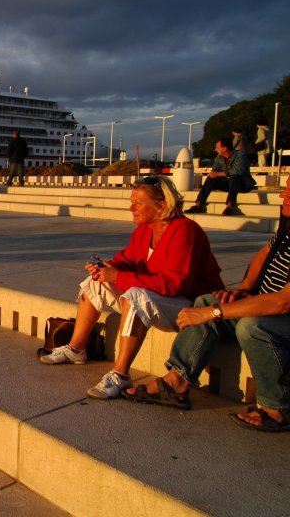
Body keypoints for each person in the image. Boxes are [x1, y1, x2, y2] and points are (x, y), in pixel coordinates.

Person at [124, 176, 290, 431]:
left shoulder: (185, 229)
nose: (283, 195)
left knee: (251, 327)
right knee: (204, 300)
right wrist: (245, 290)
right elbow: (264, 255)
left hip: (279, 314)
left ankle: (276, 408)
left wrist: (213, 313)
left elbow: (281, 303)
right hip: (266, 303)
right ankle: (176, 382)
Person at [40, 176, 224, 399]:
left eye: (138, 203)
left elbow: (175, 283)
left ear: (161, 205)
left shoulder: (185, 230)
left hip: (191, 306)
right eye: (131, 201)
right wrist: (107, 267)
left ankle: (120, 373)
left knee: (136, 295)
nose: (131, 208)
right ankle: (76, 349)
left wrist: (119, 276)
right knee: (97, 282)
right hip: (161, 298)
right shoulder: (145, 229)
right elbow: (128, 259)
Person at [185, 136, 256, 216]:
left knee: (234, 176)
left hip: (243, 184)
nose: (215, 150)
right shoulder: (219, 157)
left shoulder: (240, 155)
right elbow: (214, 170)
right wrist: (213, 174)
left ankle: (230, 206)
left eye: (217, 148)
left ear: (225, 148)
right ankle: (199, 204)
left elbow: (237, 171)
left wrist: (218, 174)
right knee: (211, 178)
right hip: (230, 184)